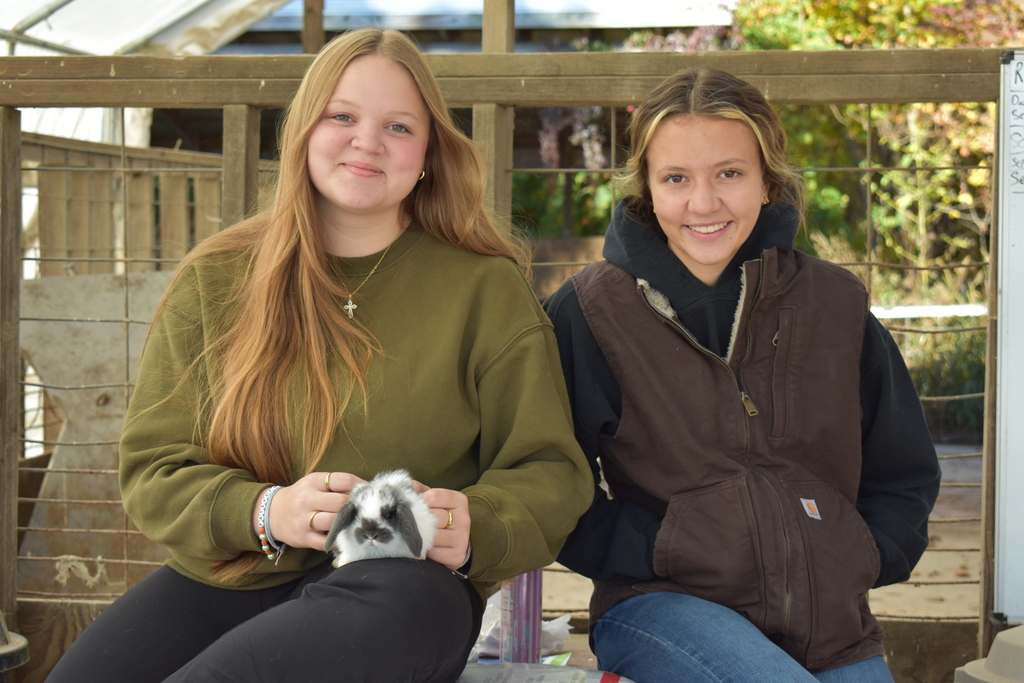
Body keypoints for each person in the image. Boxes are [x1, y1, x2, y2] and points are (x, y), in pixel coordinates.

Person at [47, 28, 591, 683]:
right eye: (342, 116)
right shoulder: (217, 278)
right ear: (304, 130)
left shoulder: (483, 288)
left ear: (427, 156)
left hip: (401, 593)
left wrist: (472, 525)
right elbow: (153, 469)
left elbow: (551, 474)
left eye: (398, 126)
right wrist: (266, 511)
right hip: (230, 575)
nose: (367, 141)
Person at [544, 67, 941, 682]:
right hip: (662, 605)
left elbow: (903, 465)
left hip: (831, 624)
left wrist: (857, 554)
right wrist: (656, 550)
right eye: (676, 178)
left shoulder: (835, 305)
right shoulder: (592, 312)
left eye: (730, 173)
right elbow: (552, 477)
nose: (704, 203)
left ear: (767, 181)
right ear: (646, 188)